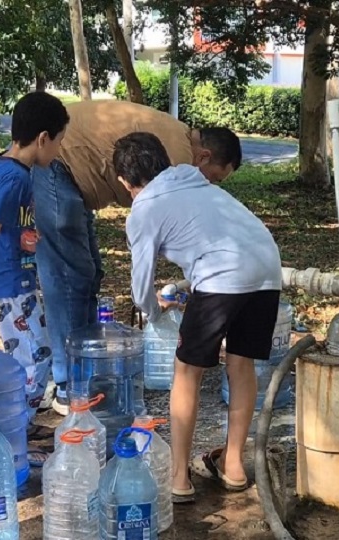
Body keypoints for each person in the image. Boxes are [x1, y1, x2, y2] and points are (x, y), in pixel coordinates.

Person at [31, 99, 242, 415]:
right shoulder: (179, 163)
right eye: (214, 178)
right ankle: (69, 386)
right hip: (58, 165)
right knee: (68, 277)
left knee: (87, 274)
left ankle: (85, 370)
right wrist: (156, 308)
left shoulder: (179, 145)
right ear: (204, 156)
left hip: (71, 175)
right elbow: (161, 231)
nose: (209, 185)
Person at [113, 131, 282, 504]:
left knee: (187, 370)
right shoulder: (192, 179)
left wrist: (154, 311)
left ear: (125, 182)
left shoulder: (144, 209)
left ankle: (179, 476)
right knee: (241, 364)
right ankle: (233, 465)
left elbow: (140, 288)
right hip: (268, 268)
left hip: (222, 276)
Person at [0, 91, 70, 431]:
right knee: (36, 357)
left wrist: (22, 235)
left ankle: (20, 424)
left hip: (19, 280)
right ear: (43, 138)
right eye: (59, 142)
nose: (59, 150)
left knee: (31, 353)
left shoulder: (2, 165)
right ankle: (16, 427)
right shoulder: (15, 177)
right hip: (10, 285)